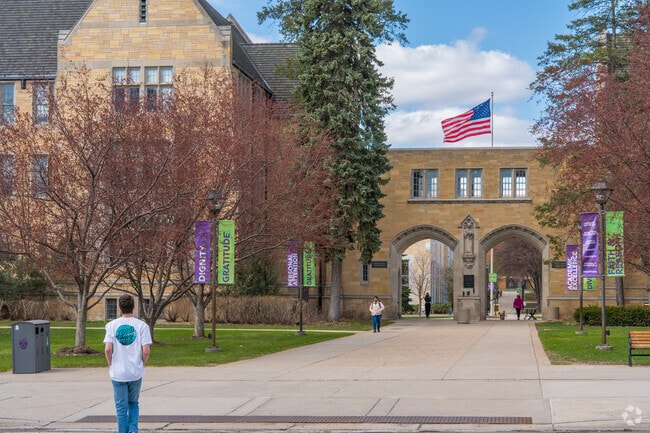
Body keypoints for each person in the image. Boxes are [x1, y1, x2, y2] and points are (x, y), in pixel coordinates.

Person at [104, 294, 152, 433]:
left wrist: (110, 364)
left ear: (120, 307)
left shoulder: (112, 325)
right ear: (134, 306)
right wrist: (142, 363)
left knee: (121, 406)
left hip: (118, 372)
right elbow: (146, 351)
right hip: (135, 371)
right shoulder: (141, 326)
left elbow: (108, 349)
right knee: (133, 403)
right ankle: (133, 430)